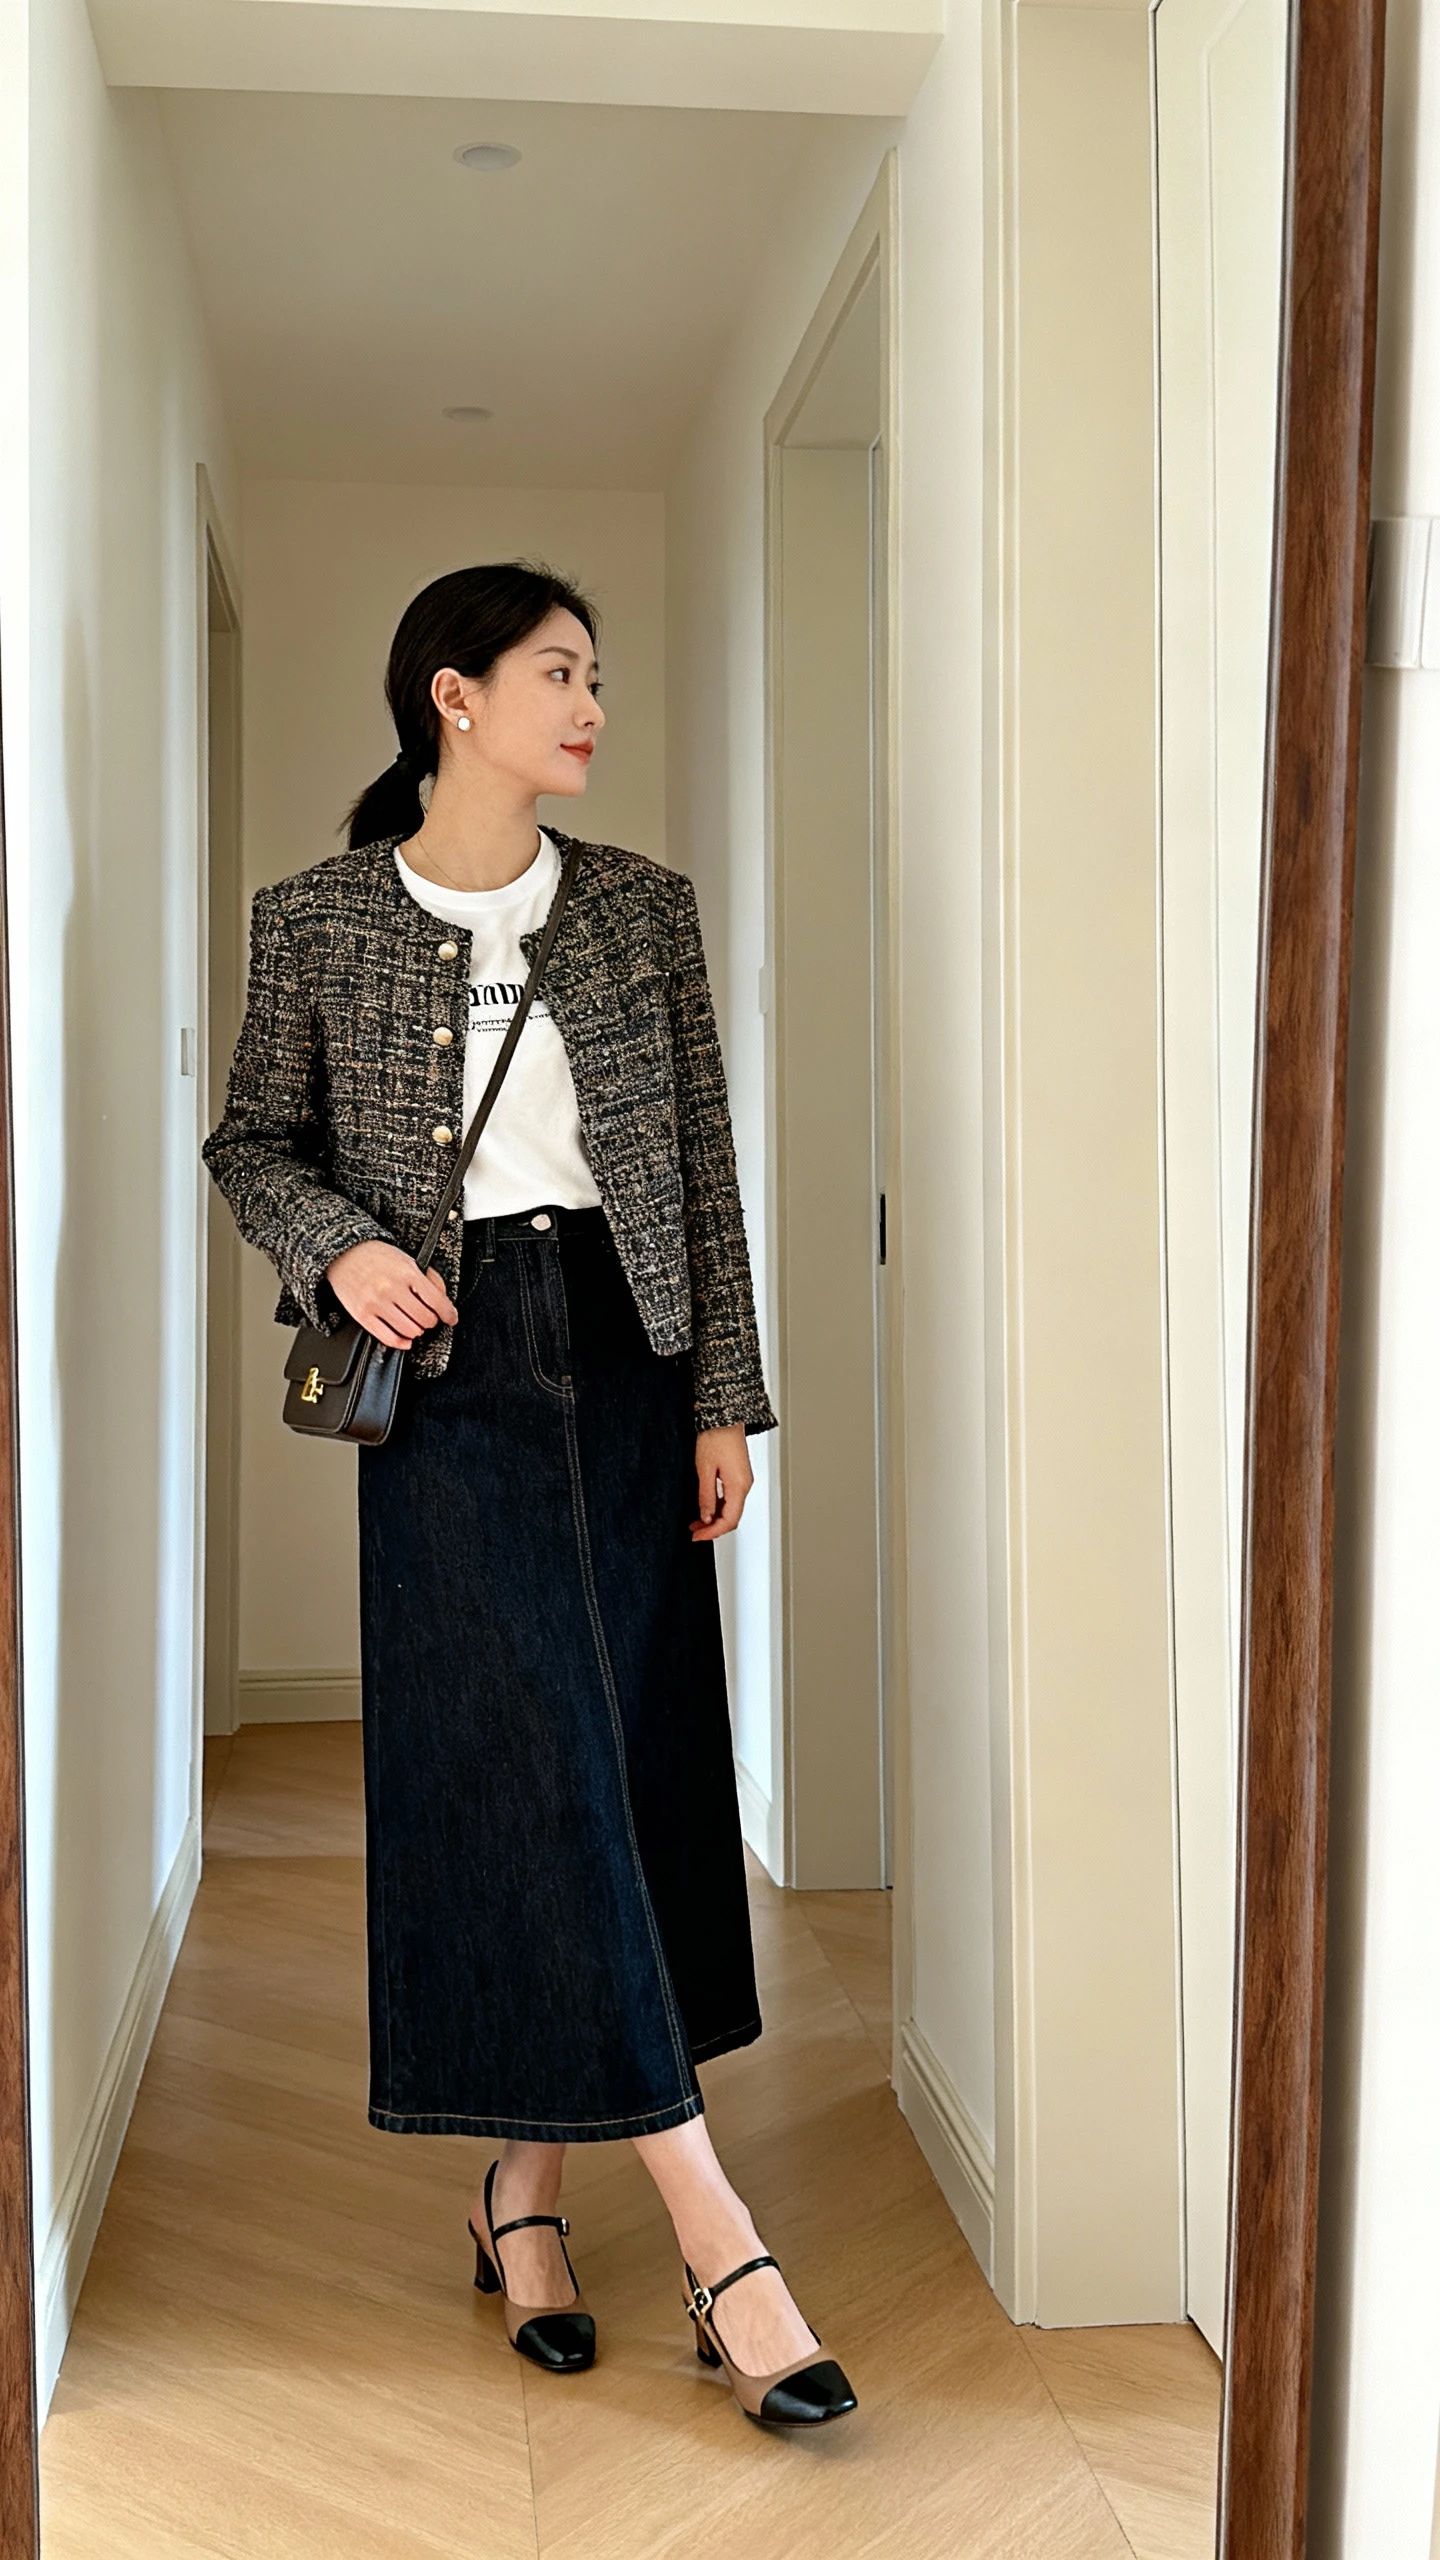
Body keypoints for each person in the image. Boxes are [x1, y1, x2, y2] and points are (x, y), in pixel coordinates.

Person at [203, 560, 857, 2430]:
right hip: (453, 1376)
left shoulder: (642, 912)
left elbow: (705, 1171)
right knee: (524, 1766)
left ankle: (526, 2197)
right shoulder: (320, 918)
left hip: (631, 1364)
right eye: (556, 673)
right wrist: (337, 1249)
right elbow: (255, 1136)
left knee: (629, 1758)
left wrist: (727, 1398)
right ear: (452, 696)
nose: (590, 704)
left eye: (597, 677)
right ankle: (720, 2233)